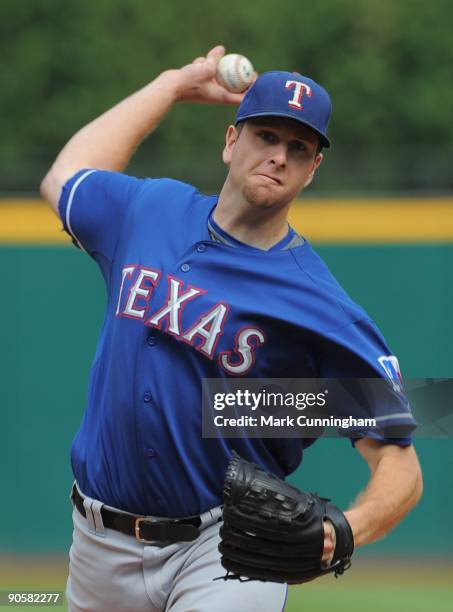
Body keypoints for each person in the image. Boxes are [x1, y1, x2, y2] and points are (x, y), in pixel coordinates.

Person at [40, 45, 423, 612]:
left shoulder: (319, 305)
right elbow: (63, 179)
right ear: (230, 141)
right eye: (266, 135)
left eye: (299, 147)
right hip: (97, 545)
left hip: (225, 553)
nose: (279, 156)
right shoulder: (150, 210)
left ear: (313, 168)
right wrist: (169, 85)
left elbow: (399, 461)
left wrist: (344, 531)